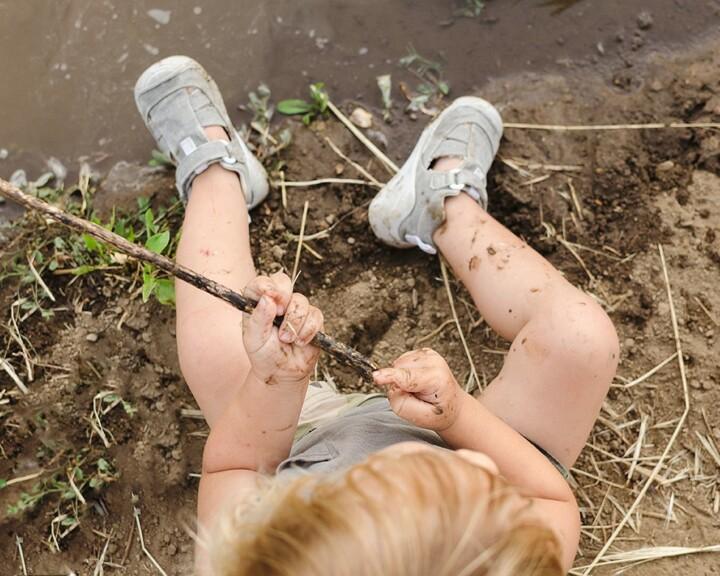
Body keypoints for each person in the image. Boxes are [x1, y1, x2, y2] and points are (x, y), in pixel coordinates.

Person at [134, 56, 619, 576]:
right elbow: (549, 498)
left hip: (306, 439)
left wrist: (274, 380)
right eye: (483, 487)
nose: (480, 463)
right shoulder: (513, 561)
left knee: (218, 339)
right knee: (579, 336)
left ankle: (215, 175)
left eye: (458, 474)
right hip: (469, 427)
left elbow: (231, 467)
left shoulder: (252, 562)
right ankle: (440, 206)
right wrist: (458, 420)